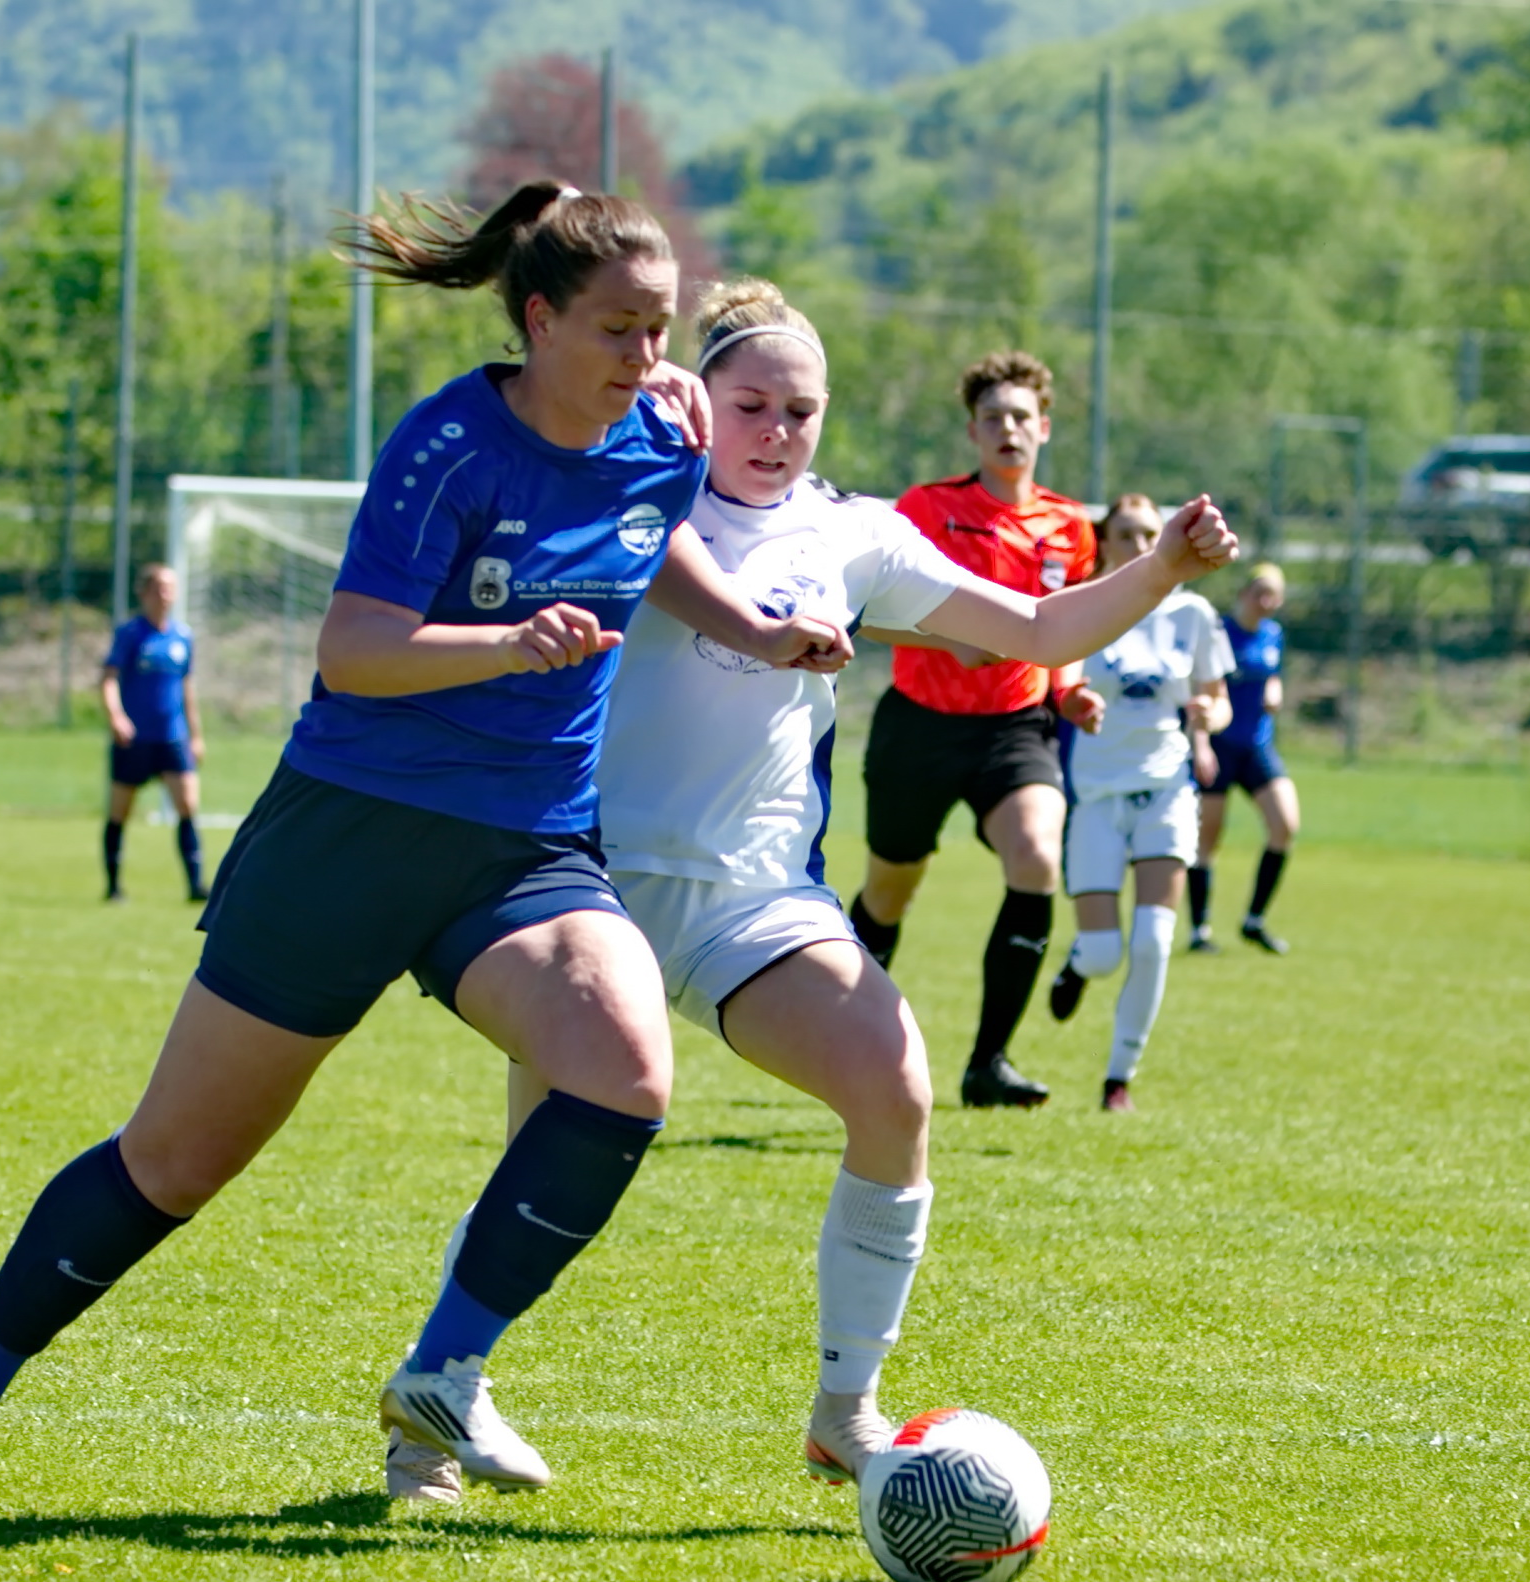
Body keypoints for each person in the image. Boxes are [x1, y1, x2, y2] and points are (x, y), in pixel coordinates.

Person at [0, 181, 852, 1522]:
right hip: (349, 831)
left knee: (624, 1071)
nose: (647, 356)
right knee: (176, 1163)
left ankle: (443, 1372)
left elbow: (653, 540)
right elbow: (352, 649)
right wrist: (509, 643)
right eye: (618, 328)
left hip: (523, 847)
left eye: (660, 329)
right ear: (538, 318)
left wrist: (755, 627)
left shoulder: (660, 435)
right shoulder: (449, 443)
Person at [383, 283, 1239, 1500]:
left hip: (754, 900)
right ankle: (430, 1411)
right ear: (698, 398)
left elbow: (1039, 629)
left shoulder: (856, 536)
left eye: (801, 410)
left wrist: (1159, 566)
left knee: (894, 1086)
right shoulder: (630, 482)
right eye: (750, 405)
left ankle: (846, 1411)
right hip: (586, 879)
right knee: (548, 1157)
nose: (776, 431)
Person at [849, 350, 1108, 1109]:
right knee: (888, 893)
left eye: (1021, 416)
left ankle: (988, 1063)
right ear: (972, 430)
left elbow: (1065, 630)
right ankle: (844, 1043)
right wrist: (947, 640)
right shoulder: (924, 508)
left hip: (1014, 728)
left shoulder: (1069, 527)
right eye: (992, 417)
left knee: (1036, 855)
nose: (1008, 428)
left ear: (1044, 428)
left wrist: (1070, 689)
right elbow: (867, 614)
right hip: (919, 727)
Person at [1044, 493, 1233, 1111]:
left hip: (1166, 789)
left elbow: (1218, 700)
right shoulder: (1083, 602)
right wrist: (1073, 702)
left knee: (1153, 940)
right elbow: (1057, 678)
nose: (1141, 545)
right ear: (1103, 542)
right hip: (1097, 794)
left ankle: (1118, 1077)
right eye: (1126, 534)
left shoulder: (1193, 613)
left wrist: (1208, 715)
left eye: (1151, 533)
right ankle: (1078, 964)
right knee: (1104, 953)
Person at [1189, 563, 1299, 954]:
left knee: (1285, 825)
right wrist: (1200, 744)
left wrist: (1274, 687)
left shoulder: (1273, 634)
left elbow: (1271, 670)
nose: (1267, 602)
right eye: (1260, 593)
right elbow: (1200, 689)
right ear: (1243, 593)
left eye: (1274, 595)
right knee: (1207, 838)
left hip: (1256, 747)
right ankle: (1199, 931)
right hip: (1218, 747)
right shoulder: (1218, 632)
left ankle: (1254, 921)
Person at [101, 564, 207, 903]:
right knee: (120, 811)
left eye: (170, 588)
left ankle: (195, 885)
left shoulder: (182, 637)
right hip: (134, 739)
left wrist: (196, 734)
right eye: (159, 588)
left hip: (172, 737)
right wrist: (116, 717)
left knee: (188, 805)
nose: (166, 595)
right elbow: (108, 679)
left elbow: (187, 688)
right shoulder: (131, 634)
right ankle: (114, 887)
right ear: (144, 593)